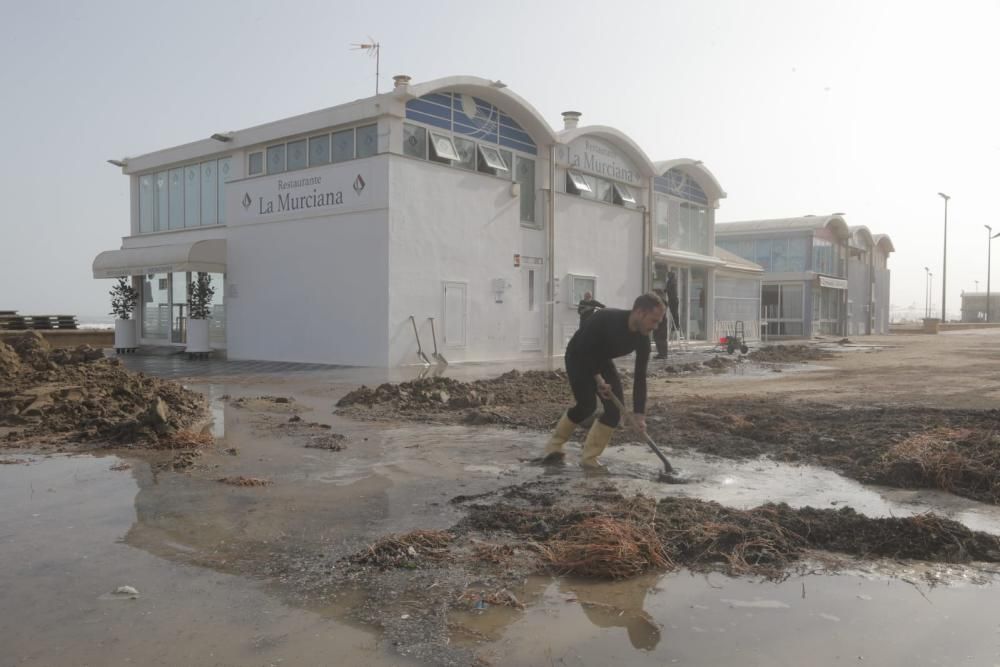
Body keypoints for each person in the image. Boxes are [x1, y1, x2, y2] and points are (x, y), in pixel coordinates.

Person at [542, 292, 666, 468]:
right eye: (654, 320)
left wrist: (639, 416)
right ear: (640, 312)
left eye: (659, 322)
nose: (656, 326)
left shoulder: (643, 339)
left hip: (602, 360)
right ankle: (554, 446)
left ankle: (589, 459)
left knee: (614, 412)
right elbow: (585, 347)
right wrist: (598, 379)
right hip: (578, 356)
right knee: (587, 406)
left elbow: (640, 377)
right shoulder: (606, 318)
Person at [652, 288, 669, 359]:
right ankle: (661, 353)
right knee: (657, 337)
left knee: (660, 338)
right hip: (659, 321)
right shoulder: (659, 301)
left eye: (654, 293)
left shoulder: (661, 301)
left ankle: (663, 354)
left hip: (661, 322)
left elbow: (661, 311)